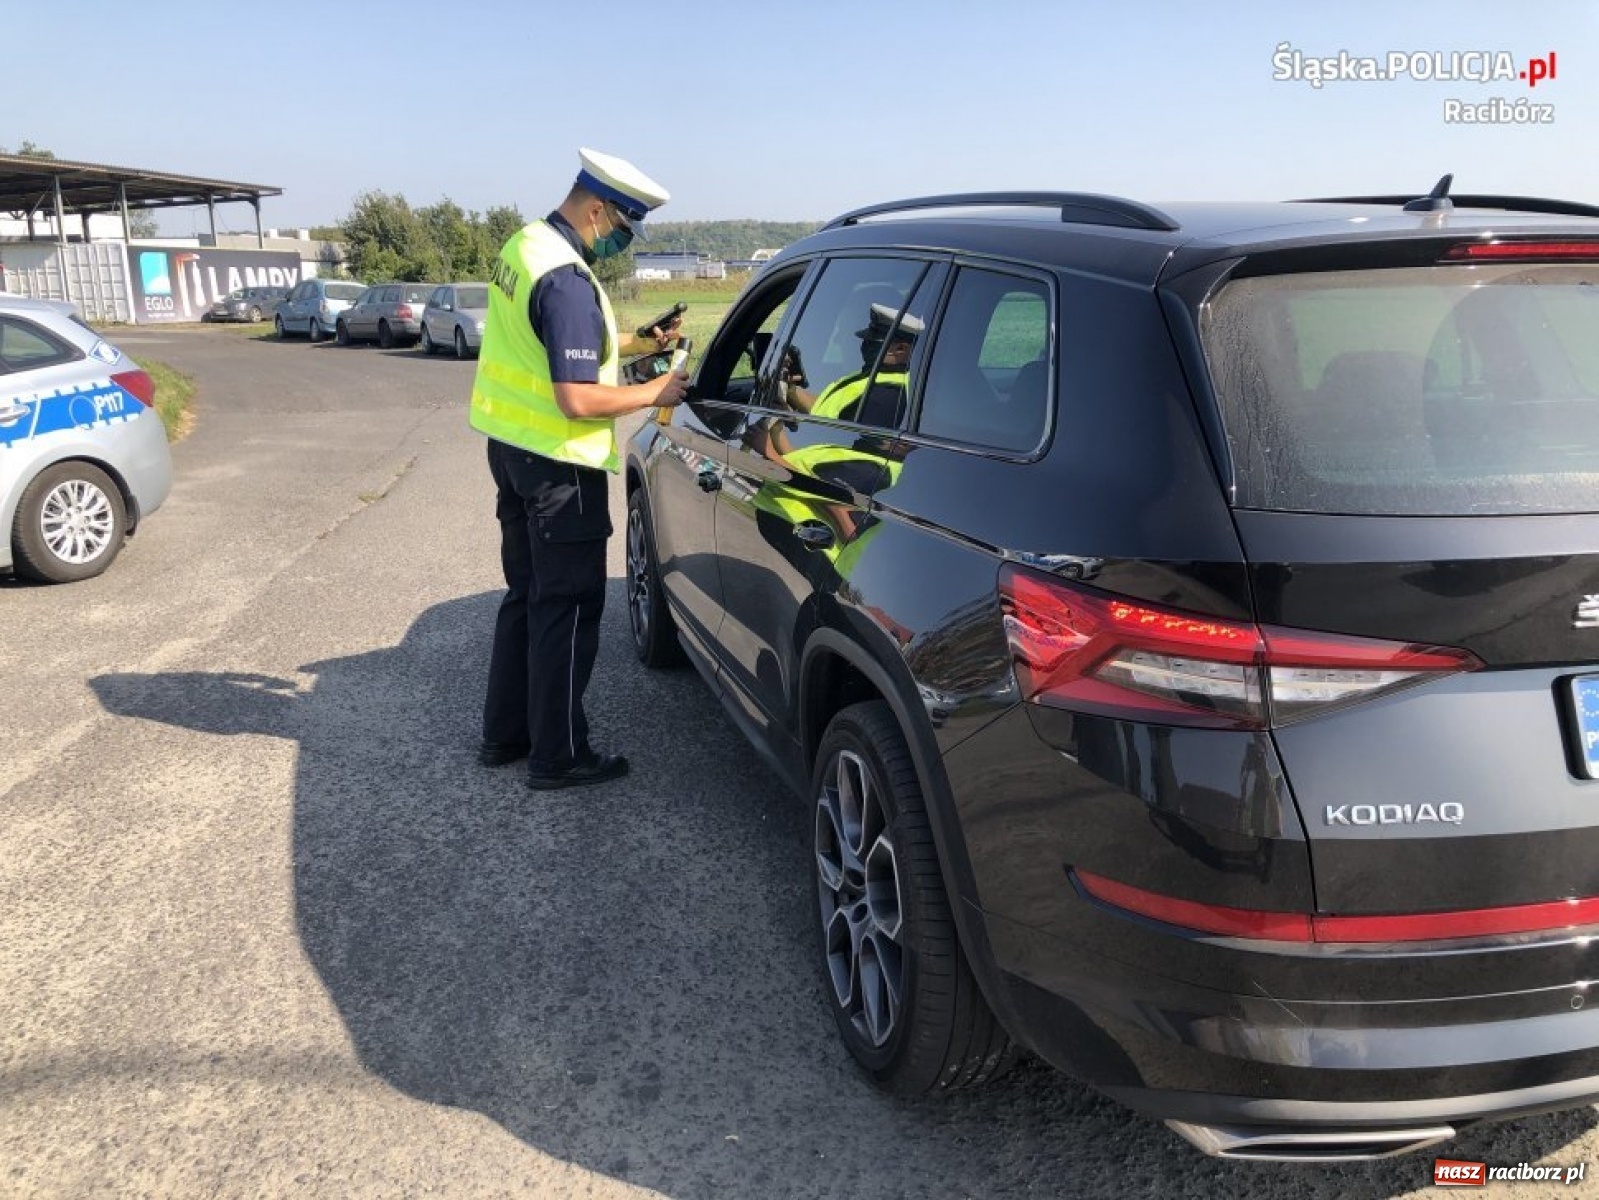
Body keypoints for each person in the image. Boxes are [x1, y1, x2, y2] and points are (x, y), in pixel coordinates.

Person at [469, 147, 689, 790]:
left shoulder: (525, 246)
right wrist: (655, 391)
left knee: (527, 596)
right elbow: (577, 397)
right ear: (596, 210)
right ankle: (559, 756)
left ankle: (505, 735)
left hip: (512, 451)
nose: (623, 240)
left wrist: (640, 343)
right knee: (566, 608)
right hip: (559, 467)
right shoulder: (566, 278)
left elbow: (559, 342)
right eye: (623, 226)